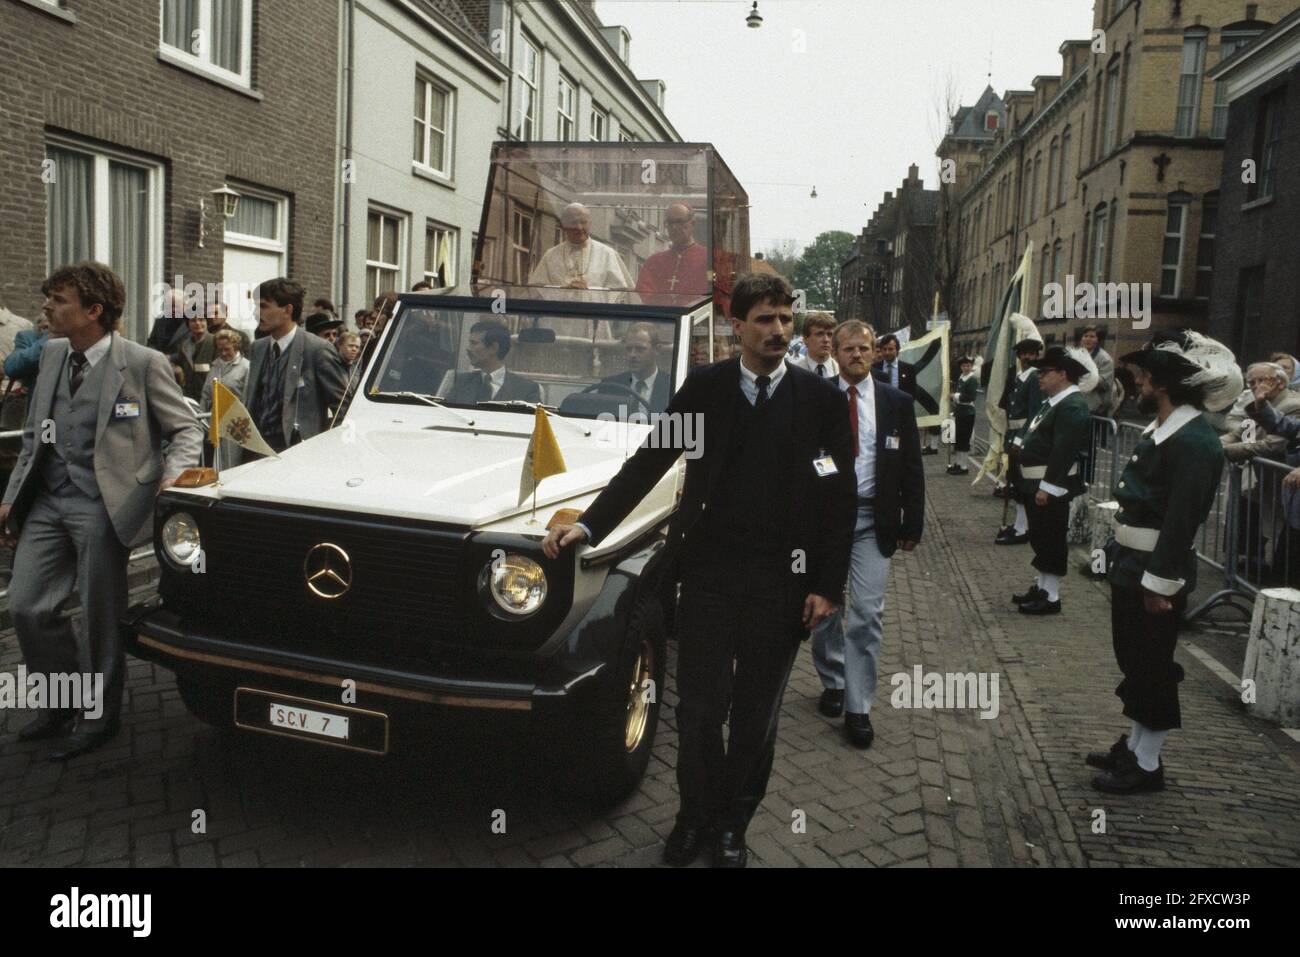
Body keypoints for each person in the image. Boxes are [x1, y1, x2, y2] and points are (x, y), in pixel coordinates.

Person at [541, 273, 855, 868]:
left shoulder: (817, 401)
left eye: (786, 319)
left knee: (756, 714)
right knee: (700, 710)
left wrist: (824, 585)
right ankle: (693, 817)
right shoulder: (706, 389)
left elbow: (839, 499)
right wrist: (589, 525)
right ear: (736, 327)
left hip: (781, 584)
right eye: (765, 320)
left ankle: (733, 824)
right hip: (709, 576)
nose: (779, 331)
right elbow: (649, 461)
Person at [0, 262, 202, 759]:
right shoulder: (50, 356)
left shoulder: (142, 362)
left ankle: (98, 716)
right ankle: (61, 700)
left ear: (95, 311)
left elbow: (186, 429)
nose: (47, 307)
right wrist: (10, 496)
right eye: (49, 297)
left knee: (99, 614)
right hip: (49, 499)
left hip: (104, 503)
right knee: (27, 605)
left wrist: (173, 478)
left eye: (59, 300)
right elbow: (36, 434)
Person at [1089, 331, 1237, 793]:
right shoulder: (1163, 430)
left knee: (1153, 667)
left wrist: (1160, 583)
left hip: (1155, 569)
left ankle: (1148, 765)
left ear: (1166, 383)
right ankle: (1134, 748)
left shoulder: (1194, 441)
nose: (1140, 383)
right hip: (1132, 561)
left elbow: (1181, 520)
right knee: (1136, 662)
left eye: (1146, 375)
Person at [811, 319, 924, 748]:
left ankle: (858, 707)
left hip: (872, 522)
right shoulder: (820, 400)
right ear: (835, 354)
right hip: (826, 521)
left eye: (865, 348)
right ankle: (833, 679)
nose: (857, 355)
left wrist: (912, 522)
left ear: (875, 353)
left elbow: (911, 465)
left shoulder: (897, 403)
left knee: (867, 614)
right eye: (848, 349)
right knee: (825, 609)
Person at [1011, 347, 1092, 616]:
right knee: (1041, 538)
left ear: (1063, 374)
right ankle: (1042, 587)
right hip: (1037, 484)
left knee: (1052, 538)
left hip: (1051, 486)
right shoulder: (1054, 402)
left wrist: (1047, 487)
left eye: (1045, 372)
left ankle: (1052, 596)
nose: (1039, 377)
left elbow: (1063, 451)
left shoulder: (1072, 406)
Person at [242, 278, 349, 458]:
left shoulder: (316, 349)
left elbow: (343, 406)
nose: (256, 312)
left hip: (298, 453)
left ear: (287, 309)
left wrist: (321, 446)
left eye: (264, 306)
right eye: (256, 306)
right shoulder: (258, 348)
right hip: (256, 451)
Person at [995, 337, 1045, 545]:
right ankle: (1018, 525)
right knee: (1015, 482)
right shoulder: (1020, 376)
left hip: (1022, 437)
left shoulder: (1034, 378)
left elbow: (1035, 412)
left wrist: (1020, 438)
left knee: (1023, 485)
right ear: (1019, 356)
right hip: (1012, 435)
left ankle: (1024, 529)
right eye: (1024, 354)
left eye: (1032, 354)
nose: (1028, 357)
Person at [528, 203, 633, 294]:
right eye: (573, 223)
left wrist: (589, 291)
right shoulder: (550, 255)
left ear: (590, 224)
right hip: (558, 316)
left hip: (594, 315)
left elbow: (619, 293)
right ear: (563, 225)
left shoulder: (607, 254)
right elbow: (536, 291)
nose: (579, 227)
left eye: (583, 222)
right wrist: (560, 291)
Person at [440, 320, 540, 404]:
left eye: (474, 343)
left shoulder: (526, 390)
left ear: (493, 348)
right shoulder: (462, 382)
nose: (468, 349)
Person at [635, 203, 710, 300]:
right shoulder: (654, 262)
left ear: (692, 223)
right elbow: (643, 294)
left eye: (679, 222)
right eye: (669, 222)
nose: (674, 227)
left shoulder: (708, 259)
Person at [597, 323, 670, 412]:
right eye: (629, 349)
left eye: (640, 349)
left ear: (657, 350)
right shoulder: (609, 386)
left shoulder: (671, 387)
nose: (632, 355)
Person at [201, 330, 251, 411]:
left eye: (227, 349)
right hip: (214, 417)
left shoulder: (247, 367)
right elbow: (205, 395)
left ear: (236, 347)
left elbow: (247, 399)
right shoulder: (214, 366)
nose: (223, 353)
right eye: (220, 350)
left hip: (236, 418)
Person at [172, 312, 216, 404]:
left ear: (207, 322)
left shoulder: (215, 342)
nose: (197, 323)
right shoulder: (184, 346)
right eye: (193, 321)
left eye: (201, 320)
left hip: (211, 398)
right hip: (190, 398)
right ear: (188, 324)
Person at [948, 355, 977, 475]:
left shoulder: (972, 379)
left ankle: (964, 466)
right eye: (964, 365)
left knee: (964, 440)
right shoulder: (961, 378)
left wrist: (955, 396)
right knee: (958, 439)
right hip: (960, 412)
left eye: (969, 365)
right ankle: (958, 463)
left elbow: (970, 397)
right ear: (961, 367)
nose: (967, 367)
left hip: (968, 413)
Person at [787, 313, 838, 378]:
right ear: (805, 339)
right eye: (820, 334)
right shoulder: (792, 373)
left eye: (830, 334)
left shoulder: (842, 372)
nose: (826, 340)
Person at [872, 333, 916, 399]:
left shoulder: (908, 369)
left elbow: (912, 392)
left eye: (890, 349)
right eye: (884, 349)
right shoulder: (874, 368)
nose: (887, 352)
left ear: (897, 350)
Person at [146, 287, 190, 352]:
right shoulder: (160, 320)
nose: (173, 310)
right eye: (170, 306)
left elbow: (193, 348)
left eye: (176, 306)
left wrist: (171, 358)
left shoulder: (192, 321)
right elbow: (152, 342)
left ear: (186, 306)